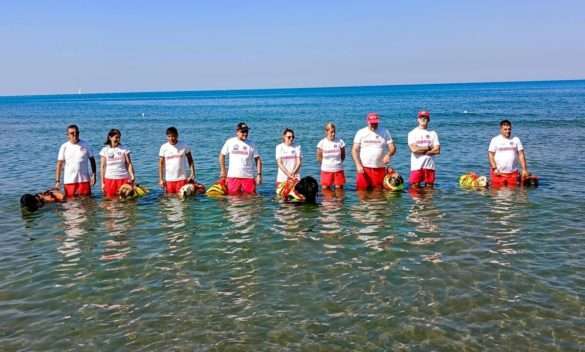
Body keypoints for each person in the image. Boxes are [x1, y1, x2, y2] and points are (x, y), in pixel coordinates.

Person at [351, 112, 396, 190]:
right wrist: (358, 165)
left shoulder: (385, 132)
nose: (373, 125)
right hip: (364, 168)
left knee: (378, 191)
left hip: (380, 168)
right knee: (362, 191)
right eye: (372, 123)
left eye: (375, 123)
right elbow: (354, 150)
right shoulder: (361, 132)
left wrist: (388, 154)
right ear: (367, 121)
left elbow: (393, 148)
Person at [219, 122, 262, 195]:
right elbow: (221, 155)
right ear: (237, 132)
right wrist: (223, 170)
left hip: (248, 177)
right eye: (243, 131)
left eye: (246, 131)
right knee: (233, 199)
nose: (245, 133)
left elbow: (258, 159)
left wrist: (259, 175)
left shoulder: (251, 144)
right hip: (233, 177)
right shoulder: (230, 142)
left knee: (251, 199)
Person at [55, 124, 96, 197]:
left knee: (87, 202)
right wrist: (58, 181)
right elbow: (59, 164)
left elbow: (92, 160)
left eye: (77, 133)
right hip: (69, 181)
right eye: (72, 133)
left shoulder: (86, 144)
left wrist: (94, 175)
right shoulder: (64, 146)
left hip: (84, 180)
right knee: (70, 203)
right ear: (67, 135)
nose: (75, 135)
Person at [488, 119, 529, 187]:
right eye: (505, 129)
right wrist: (494, 168)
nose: (508, 131)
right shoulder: (495, 140)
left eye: (509, 129)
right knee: (497, 193)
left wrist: (524, 169)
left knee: (513, 193)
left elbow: (521, 154)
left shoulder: (516, 139)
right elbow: (490, 154)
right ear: (501, 129)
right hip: (498, 173)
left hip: (513, 173)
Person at [99, 129, 136, 198]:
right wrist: (102, 183)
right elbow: (102, 167)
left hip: (123, 178)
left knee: (125, 201)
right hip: (110, 179)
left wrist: (132, 175)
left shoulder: (124, 149)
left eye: (119, 137)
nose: (118, 139)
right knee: (111, 202)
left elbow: (129, 164)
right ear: (110, 137)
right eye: (116, 137)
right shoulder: (104, 150)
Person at [408, 111, 440, 188]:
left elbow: (437, 150)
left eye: (425, 117)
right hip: (417, 166)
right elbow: (414, 150)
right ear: (418, 119)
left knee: (429, 188)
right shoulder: (412, 133)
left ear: (428, 120)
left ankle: (427, 200)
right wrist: (429, 148)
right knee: (414, 188)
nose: (423, 119)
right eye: (421, 117)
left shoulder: (433, 133)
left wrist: (421, 150)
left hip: (430, 166)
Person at [158, 127, 196, 193]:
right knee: (170, 199)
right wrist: (161, 179)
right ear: (166, 137)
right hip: (169, 179)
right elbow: (161, 164)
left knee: (182, 200)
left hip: (182, 178)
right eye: (169, 136)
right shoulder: (163, 147)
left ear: (177, 135)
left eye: (173, 136)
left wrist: (192, 174)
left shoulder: (184, 145)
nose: (171, 138)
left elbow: (190, 160)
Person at [316, 122, 346, 190]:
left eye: (334, 131)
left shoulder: (340, 142)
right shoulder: (321, 143)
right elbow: (319, 157)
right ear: (326, 132)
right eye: (331, 132)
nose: (333, 134)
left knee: (339, 189)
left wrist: (337, 163)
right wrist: (326, 164)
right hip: (326, 170)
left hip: (338, 170)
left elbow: (343, 156)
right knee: (326, 189)